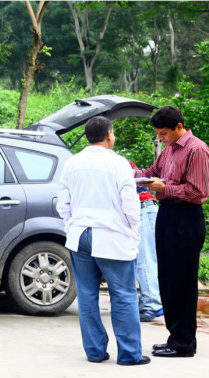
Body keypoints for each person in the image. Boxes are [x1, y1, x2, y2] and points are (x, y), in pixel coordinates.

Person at [57, 116, 150, 365]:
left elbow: (62, 203)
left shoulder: (72, 163)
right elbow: (130, 202)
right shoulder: (119, 164)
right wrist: (133, 229)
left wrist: (71, 224)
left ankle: (95, 352)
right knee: (123, 294)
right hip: (112, 235)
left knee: (87, 295)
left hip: (80, 235)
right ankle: (129, 354)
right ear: (109, 134)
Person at [133, 105, 209, 358]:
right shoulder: (169, 150)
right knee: (167, 279)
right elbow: (151, 174)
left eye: (163, 133)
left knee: (182, 282)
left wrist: (164, 188)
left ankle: (184, 343)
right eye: (158, 134)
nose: (160, 138)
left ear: (179, 127)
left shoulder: (196, 149)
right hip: (166, 214)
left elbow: (199, 191)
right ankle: (174, 337)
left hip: (185, 217)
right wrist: (131, 173)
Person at [129, 161, 163, 322]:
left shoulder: (121, 163)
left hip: (144, 209)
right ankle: (148, 302)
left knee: (145, 259)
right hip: (141, 211)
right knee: (141, 260)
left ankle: (151, 305)